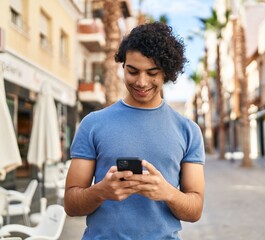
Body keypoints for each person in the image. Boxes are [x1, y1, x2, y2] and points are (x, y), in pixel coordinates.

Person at [64, 22, 205, 239]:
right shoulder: (92, 123)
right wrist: (101, 191)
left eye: (152, 73)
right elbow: (71, 205)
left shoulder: (188, 130)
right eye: (132, 71)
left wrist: (168, 193)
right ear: (123, 67)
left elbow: (195, 210)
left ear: (166, 72)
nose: (141, 82)